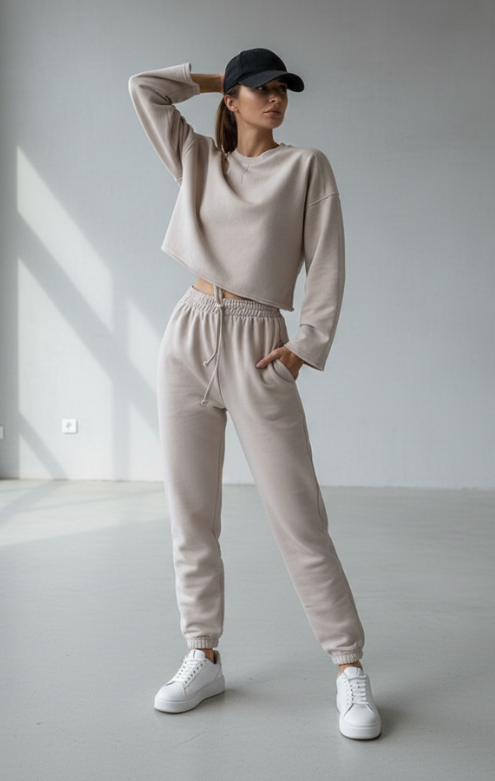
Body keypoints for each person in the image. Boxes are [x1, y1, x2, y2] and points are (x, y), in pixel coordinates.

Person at [129, 48, 381, 740]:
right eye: (261, 89)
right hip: (188, 333)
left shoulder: (306, 167)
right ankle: (202, 653)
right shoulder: (198, 160)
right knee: (191, 513)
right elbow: (144, 88)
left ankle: (348, 665)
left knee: (298, 516)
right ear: (234, 100)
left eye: (283, 90)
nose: (276, 99)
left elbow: (327, 259)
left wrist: (306, 344)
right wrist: (221, 77)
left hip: (258, 340)